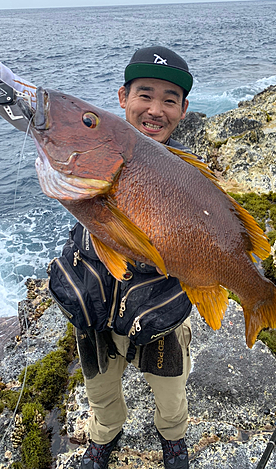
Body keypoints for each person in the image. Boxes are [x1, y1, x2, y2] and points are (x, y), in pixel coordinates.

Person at [0, 46, 195, 469]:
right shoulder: (98, 145)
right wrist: (13, 92)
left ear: (183, 109)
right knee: (99, 389)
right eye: (145, 94)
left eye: (170, 99)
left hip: (159, 308)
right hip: (94, 305)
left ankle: (174, 437)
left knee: (171, 388)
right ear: (122, 97)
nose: (155, 109)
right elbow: (45, 119)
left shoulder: (184, 170)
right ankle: (105, 437)